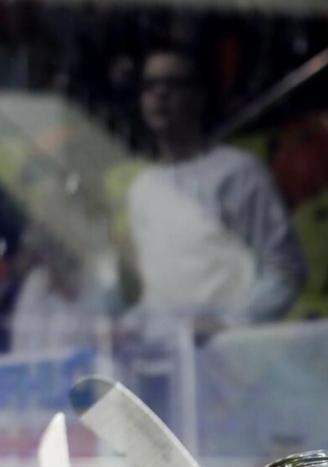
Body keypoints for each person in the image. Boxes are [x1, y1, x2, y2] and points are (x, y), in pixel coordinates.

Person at [124, 45, 306, 345]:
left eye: (173, 84)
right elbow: (159, 294)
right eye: (150, 85)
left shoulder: (238, 172)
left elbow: (286, 270)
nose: (160, 94)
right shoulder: (142, 188)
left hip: (232, 358)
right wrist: (125, 327)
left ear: (198, 97)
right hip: (168, 360)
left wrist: (230, 325)